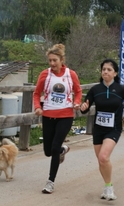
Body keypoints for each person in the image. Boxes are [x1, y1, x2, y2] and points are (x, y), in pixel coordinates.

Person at [80, 59, 124, 200]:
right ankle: (107, 185)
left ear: (115, 73)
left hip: (114, 128)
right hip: (98, 129)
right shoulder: (95, 89)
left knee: (103, 157)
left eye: (109, 69)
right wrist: (83, 108)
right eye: (103, 69)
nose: (105, 71)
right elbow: (86, 106)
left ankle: (109, 188)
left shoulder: (120, 89)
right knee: (101, 161)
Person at [33, 44, 82, 194]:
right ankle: (62, 150)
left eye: (55, 60)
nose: (52, 64)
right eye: (50, 61)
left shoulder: (70, 74)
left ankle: (50, 182)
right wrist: (37, 107)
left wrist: (77, 102)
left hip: (65, 115)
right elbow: (36, 93)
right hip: (48, 115)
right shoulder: (45, 74)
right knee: (48, 151)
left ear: (61, 59)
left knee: (54, 148)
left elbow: (78, 91)